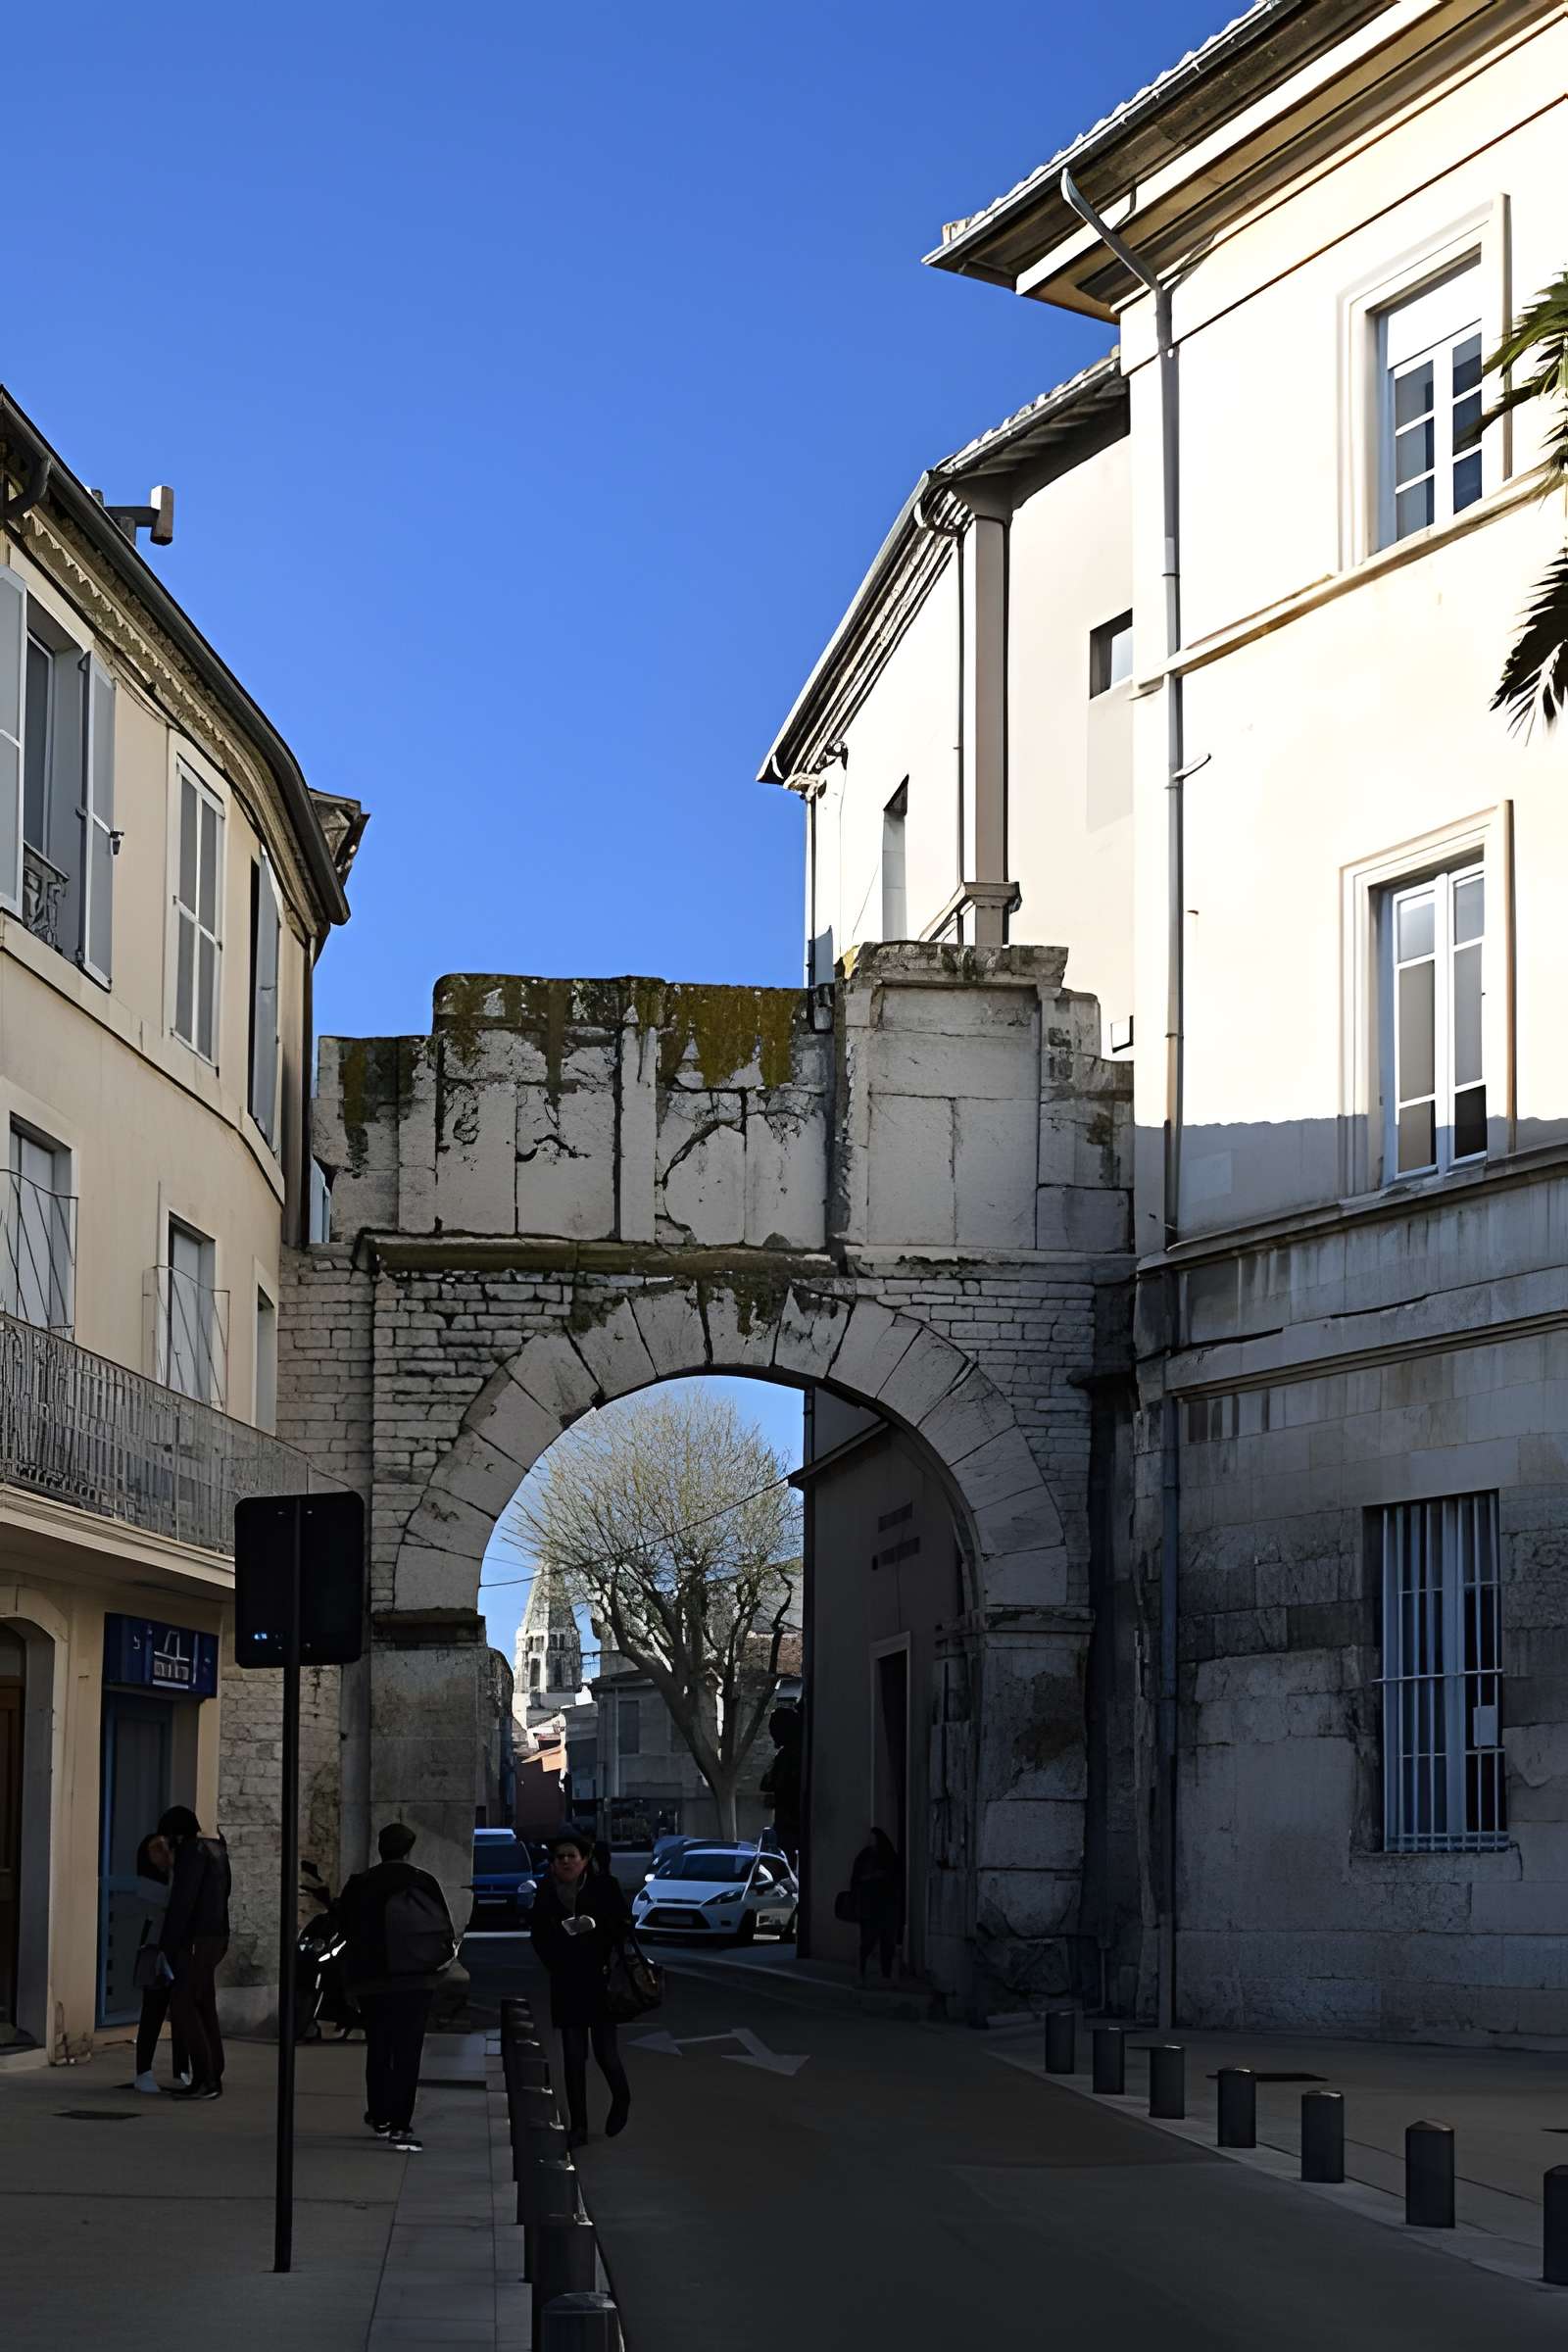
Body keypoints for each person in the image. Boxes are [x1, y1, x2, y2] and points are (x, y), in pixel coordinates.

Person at [338, 1822, 456, 2154]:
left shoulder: (360, 1885)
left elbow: (345, 1929)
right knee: (408, 2051)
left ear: (380, 1848)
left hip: (373, 1980)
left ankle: (380, 2115)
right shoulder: (424, 1882)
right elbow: (443, 1928)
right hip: (416, 1978)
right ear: (408, 1849)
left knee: (379, 2047)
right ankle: (401, 2120)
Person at [530, 1829, 631, 2147]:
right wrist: (556, 1959)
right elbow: (538, 1934)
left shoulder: (604, 1887)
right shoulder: (547, 1890)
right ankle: (579, 2126)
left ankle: (622, 2098)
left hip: (602, 1982)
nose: (565, 1862)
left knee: (606, 2054)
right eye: (560, 1857)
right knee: (573, 2059)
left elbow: (622, 1927)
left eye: (571, 1856)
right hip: (566, 1982)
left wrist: (594, 1925)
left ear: (585, 1859)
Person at [157, 1806, 232, 2101]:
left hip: (195, 1938)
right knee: (204, 2002)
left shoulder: (191, 1853)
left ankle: (205, 2078)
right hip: (216, 1935)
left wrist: (167, 1945)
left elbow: (182, 1902)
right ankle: (214, 2068)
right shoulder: (217, 1850)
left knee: (184, 2003)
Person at [130, 1832, 190, 2094]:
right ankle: (143, 2071)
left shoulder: (174, 1877)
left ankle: (182, 2068)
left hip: (174, 1950)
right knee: (153, 2012)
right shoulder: (151, 1885)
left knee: (180, 2013)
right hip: (155, 1951)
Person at [849, 1827, 904, 1984]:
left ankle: (885, 1975)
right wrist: (871, 1878)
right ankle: (861, 1973)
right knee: (867, 1942)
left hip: (886, 1905)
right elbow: (856, 1879)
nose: (870, 1842)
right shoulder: (864, 1857)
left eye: (873, 1839)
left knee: (888, 1943)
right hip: (869, 1905)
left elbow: (896, 1879)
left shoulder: (889, 1857)